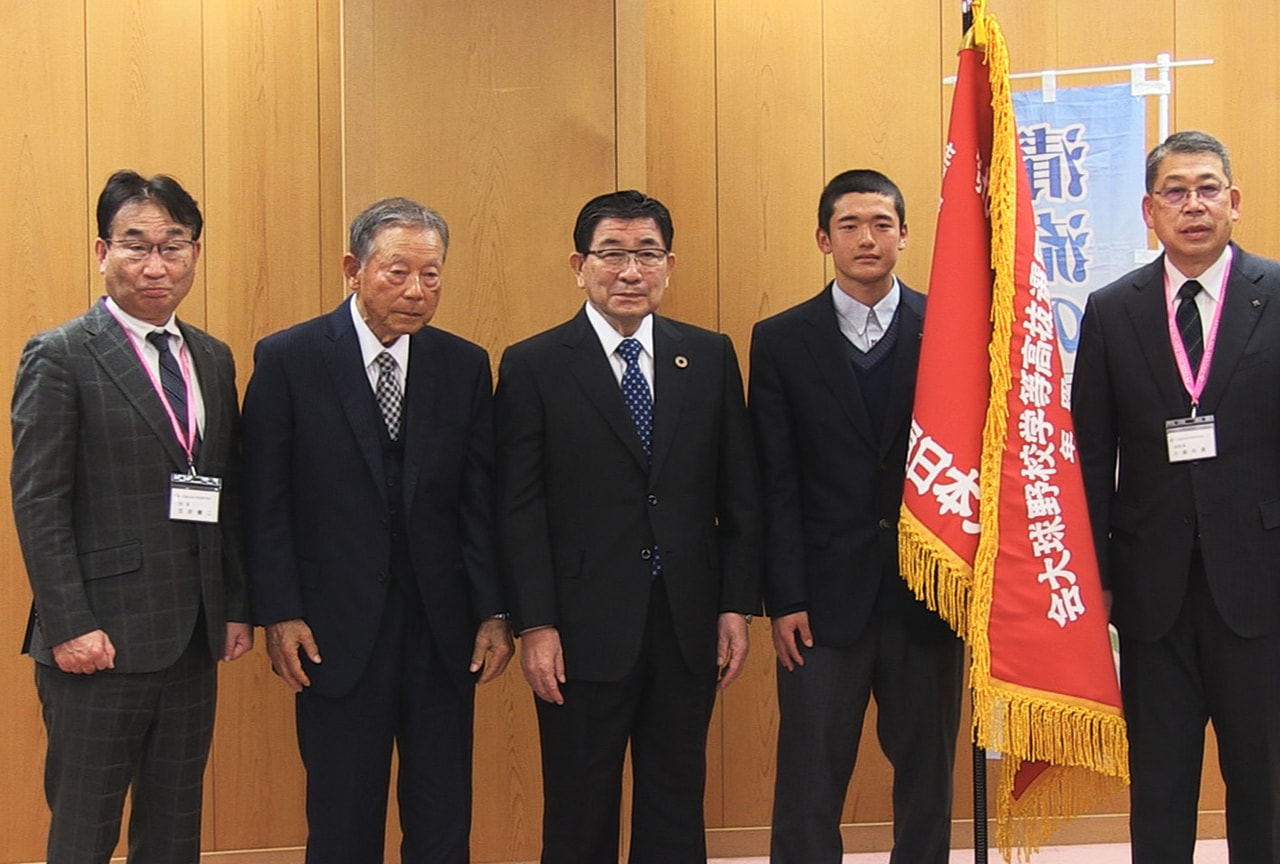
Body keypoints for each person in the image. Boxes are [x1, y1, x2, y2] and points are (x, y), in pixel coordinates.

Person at [241, 197, 512, 864]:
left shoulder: (464, 364)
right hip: (334, 632)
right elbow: (264, 500)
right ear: (352, 270)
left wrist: (493, 611)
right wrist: (281, 614)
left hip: (442, 632)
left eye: (432, 275)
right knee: (341, 821)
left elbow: (480, 502)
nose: (417, 292)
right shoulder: (289, 358)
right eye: (397, 272)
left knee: (443, 818)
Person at [495, 189, 760, 864]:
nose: (630, 271)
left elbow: (741, 497)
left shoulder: (707, 356)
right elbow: (518, 509)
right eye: (612, 254)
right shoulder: (533, 364)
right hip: (580, 631)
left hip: (685, 621)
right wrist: (536, 624)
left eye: (647, 254)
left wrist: (734, 604)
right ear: (579, 265)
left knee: (676, 803)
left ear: (669, 265)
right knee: (579, 807)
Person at [11, 170, 251, 864]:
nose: (156, 265)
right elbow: (39, 500)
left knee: (174, 835)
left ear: (195, 255)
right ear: (101, 251)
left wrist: (234, 604)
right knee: (85, 834)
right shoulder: (59, 356)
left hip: (191, 642)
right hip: (97, 645)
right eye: (135, 244)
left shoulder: (211, 357)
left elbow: (224, 492)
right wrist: (70, 624)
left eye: (174, 246)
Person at [1073, 130, 1280, 864]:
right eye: (1175, 191)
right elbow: (1091, 456)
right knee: (1160, 786)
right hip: (1151, 591)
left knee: (1265, 784)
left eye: (1206, 187)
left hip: (1260, 585)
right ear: (1148, 210)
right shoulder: (1112, 309)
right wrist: (1093, 576)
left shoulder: (1276, 293)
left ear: (1235, 199)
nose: (1192, 204)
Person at [749, 169, 963, 864]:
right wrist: (784, 598)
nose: (866, 239)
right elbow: (773, 483)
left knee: (928, 781)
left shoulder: (953, 330)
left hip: (928, 598)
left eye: (881, 224)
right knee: (809, 783)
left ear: (905, 234)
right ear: (823, 239)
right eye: (849, 225)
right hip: (822, 606)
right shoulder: (780, 339)